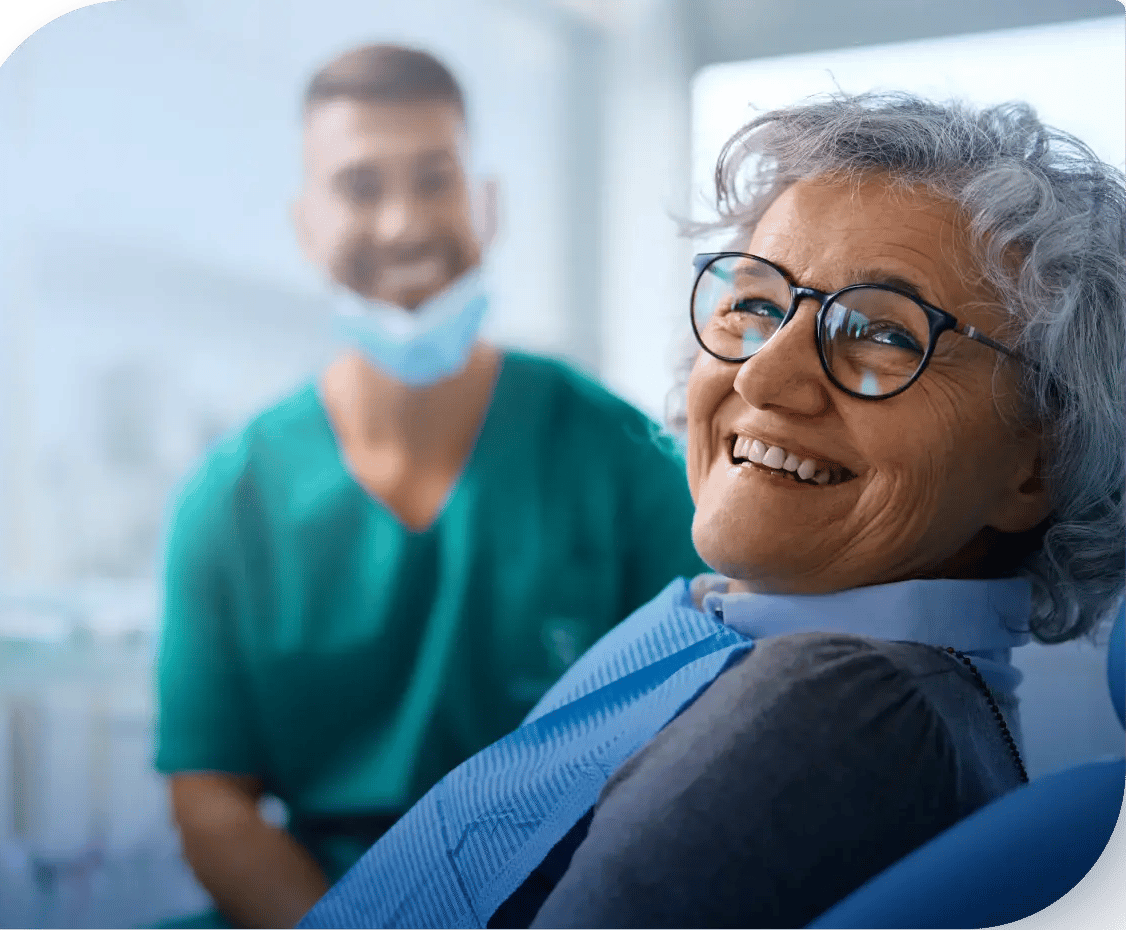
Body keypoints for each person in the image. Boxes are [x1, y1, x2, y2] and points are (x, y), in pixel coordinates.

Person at [296, 92, 1126, 929]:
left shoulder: (838, 708)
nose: (762, 376)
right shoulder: (750, 639)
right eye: (757, 305)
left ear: (1036, 467)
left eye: (884, 335)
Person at [153, 45, 706, 929]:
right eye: (360, 186)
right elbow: (212, 803)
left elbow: (699, 746)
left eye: (434, 179)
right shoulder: (229, 502)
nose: (403, 222)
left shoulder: (621, 459)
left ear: (487, 204)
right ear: (305, 225)